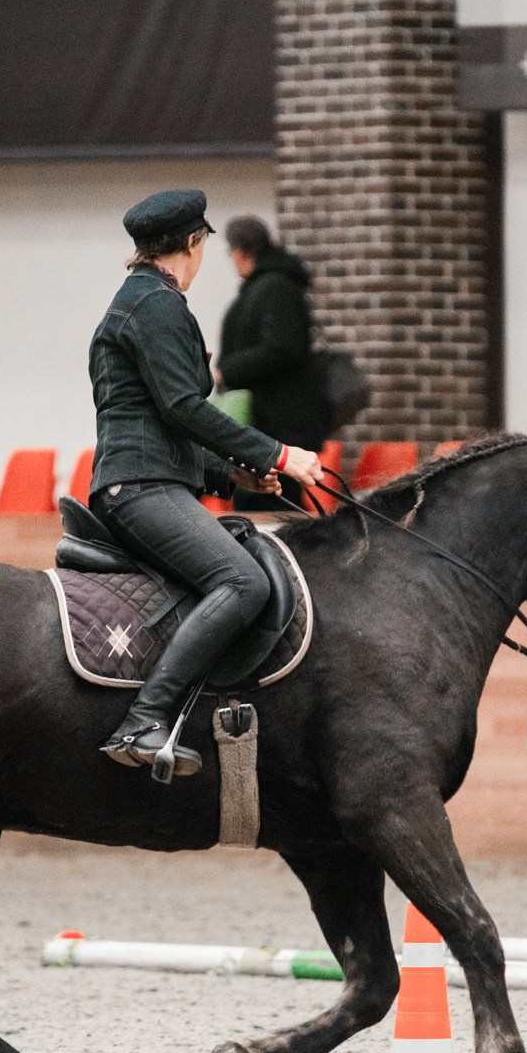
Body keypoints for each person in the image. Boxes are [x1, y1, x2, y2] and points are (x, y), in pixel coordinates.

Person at [87, 189, 324, 777]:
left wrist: (236, 475)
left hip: (146, 478)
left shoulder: (140, 302)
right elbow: (182, 408)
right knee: (243, 581)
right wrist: (280, 453)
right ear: (192, 243)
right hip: (141, 488)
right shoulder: (159, 307)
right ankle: (146, 717)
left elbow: (154, 423)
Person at [216, 217, 329, 508]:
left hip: (279, 422)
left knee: (274, 503)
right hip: (271, 420)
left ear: (240, 252)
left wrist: (226, 371)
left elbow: (281, 347)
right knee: (265, 500)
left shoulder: (275, 287)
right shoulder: (270, 285)